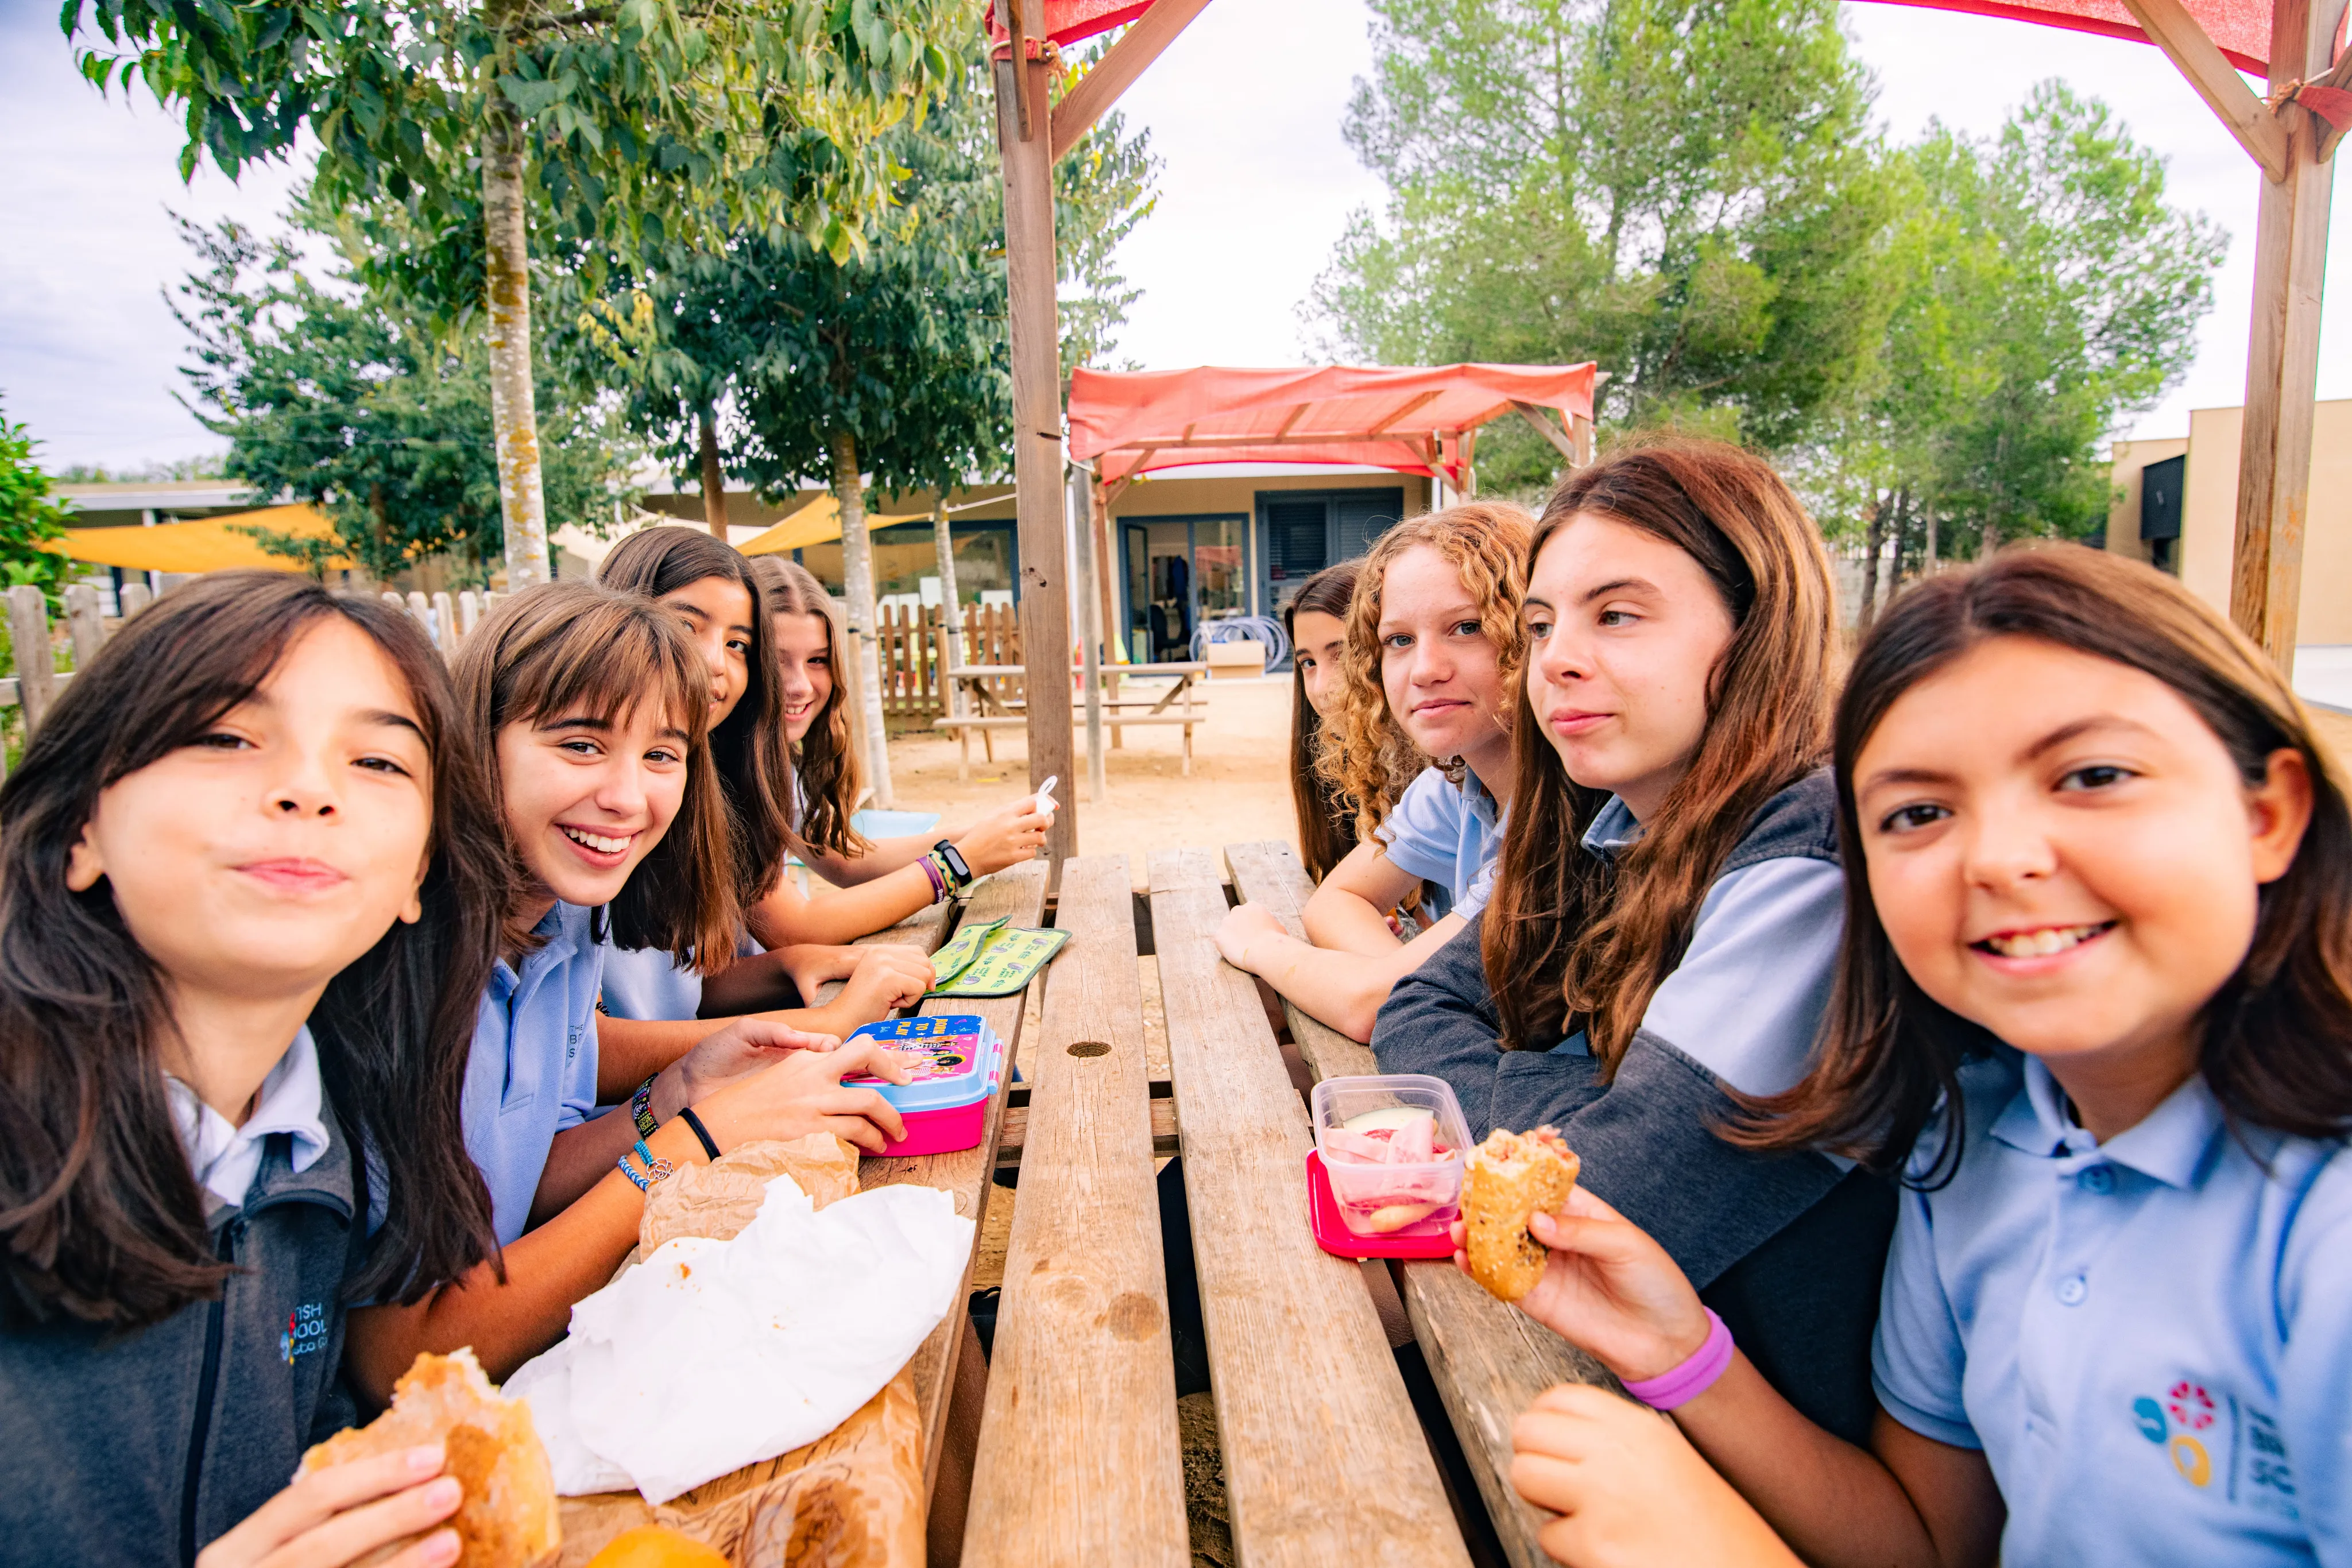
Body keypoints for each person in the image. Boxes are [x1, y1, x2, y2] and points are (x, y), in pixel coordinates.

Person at [1498, 545, 2352, 1568]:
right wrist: (1681, 1353)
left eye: (2092, 776)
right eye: (1918, 813)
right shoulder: (1977, 1145)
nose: (1997, 857)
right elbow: (1933, 1543)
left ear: (2270, 814)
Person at [1375, 439, 1894, 1444]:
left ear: (1755, 631)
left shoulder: (1812, 852)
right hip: (1636, 1382)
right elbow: (1416, 1004)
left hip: (1783, 1457)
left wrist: (1586, 1127)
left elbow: (1612, 1203)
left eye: (1616, 613)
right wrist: (1606, 1110)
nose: (1557, 657)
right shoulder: (1608, 824)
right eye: (1541, 623)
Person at [0, 572, 505, 1567]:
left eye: (376, 760)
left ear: (417, 878)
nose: (309, 789)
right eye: (227, 737)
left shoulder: (329, 1169)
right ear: (80, 827)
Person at [345, 583, 914, 1393]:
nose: (626, 796)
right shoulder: (403, 962)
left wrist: (681, 1090)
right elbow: (403, 1357)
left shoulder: (574, 918)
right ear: (477, 743)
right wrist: (694, 1138)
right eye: (580, 744)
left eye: (662, 754)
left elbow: (518, 1180)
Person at [593, 528, 934, 1058]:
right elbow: (587, 1057)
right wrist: (951, 866)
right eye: (686, 626)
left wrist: (790, 965)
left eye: (737, 645)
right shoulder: (590, 812)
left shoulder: (695, 785)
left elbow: (681, 985)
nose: (715, 663)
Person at [1215, 504, 1532, 1040]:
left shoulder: (1562, 817)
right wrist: (1407, 981)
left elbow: (1369, 1006)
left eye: (1466, 627)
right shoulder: (1455, 782)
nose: (1426, 670)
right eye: (1400, 640)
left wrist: (1263, 945)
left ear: (1531, 632)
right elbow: (1336, 903)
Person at [745, 553, 1050, 943]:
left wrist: (981, 834)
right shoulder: (724, 773)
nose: (800, 684)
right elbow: (797, 927)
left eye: (817, 660)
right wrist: (958, 863)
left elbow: (843, 860)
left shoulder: (778, 761)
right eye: (777, 660)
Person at [1283, 560, 1364, 884]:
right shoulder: (1337, 771)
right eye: (1308, 663)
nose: (1319, 689)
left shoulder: (1447, 777)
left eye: (1341, 655)